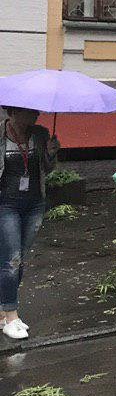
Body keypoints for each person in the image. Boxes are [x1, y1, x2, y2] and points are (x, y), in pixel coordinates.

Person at [0, 106, 59, 340]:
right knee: (11, 259)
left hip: (34, 204)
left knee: (18, 259)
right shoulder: (1, 134)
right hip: (6, 205)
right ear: (12, 112)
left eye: (36, 112)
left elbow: (47, 169)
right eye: (30, 112)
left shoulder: (41, 134)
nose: (36, 115)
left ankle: (3, 311)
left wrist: (52, 153)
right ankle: (11, 315)